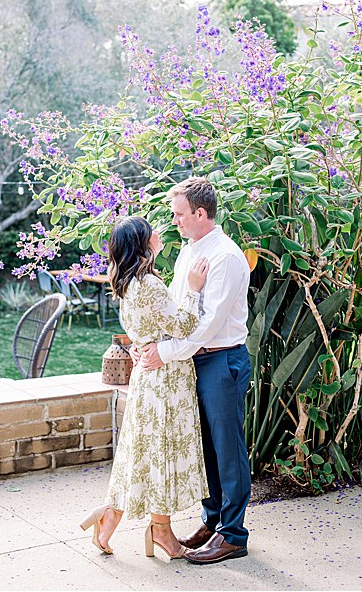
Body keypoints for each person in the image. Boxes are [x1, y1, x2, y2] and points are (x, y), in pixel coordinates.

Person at [135, 176, 252, 564]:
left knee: (228, 451)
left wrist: (164, 353)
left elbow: (208, 326)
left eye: (180, 214)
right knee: (206, 449)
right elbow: (179, 308)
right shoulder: (190, 250)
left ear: (201, 213)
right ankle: (214, 521)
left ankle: (233, 535)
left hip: (221, 360)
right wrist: (152, 343)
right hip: (193, 361)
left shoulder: (227, 257)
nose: (175, 221)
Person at [80, 215, 209, 559]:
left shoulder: (127, 283)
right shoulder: (148, 283)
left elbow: (145, 329)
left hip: (147, 378)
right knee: (161, 453)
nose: (158, 231)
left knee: (142, 452)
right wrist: (194, 290)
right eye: (150, 230)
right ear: (142, 242)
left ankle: (110, 517)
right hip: (165, 379)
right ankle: (161, 532)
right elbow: (182, 326)